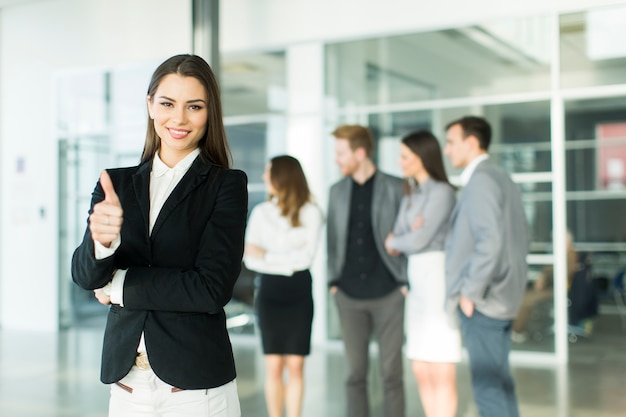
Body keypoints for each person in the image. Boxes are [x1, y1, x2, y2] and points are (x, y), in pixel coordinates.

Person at [71, 54, 248, 417]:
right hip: (127, 387)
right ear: (151, 105)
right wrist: (101, 244)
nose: (179, 118)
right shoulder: (115, 183)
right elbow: (86, 276)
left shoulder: (225, 186)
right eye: (167, 103)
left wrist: (118, 287)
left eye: (194, 106)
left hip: (196, 390)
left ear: (209, 112)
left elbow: (211, 289)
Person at [443, 116, 529, 417]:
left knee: (488, 389)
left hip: (484, 302)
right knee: (500, 383)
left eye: (451, 143)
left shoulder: (480, 181)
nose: (447, 150)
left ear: (471, 142)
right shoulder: (500, 177)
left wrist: (470, 292)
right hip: (503, 297)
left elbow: (489, 242)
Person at [327, 124, 408, 417]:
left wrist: (404, 281)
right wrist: (333, 281)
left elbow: (407, 234)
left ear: (360, 153)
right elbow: (333, 242)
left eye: (340, 153)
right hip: (348, 294)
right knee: (355, 375)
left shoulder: (397, 186)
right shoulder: (336, 191)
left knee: (391, 375)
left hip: (389, 292)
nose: (336, 159)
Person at [384, 130, 460, 417]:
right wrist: (406, 236)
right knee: (420, 364)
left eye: (405, 156)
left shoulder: (442, 192)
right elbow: (402, 234)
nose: (400, 162)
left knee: (441, 366)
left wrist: (401, 240)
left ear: (422, 156)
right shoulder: (411, 193)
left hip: (437, 278)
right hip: (416, 281)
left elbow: (412, 240)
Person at [243, 155, 324, 417]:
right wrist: (285, 259)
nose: (265, 178)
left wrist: (266, 254)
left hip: (298, 292)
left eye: (269, 173)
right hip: (269, 293)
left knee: (296, 366)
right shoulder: (261, 213)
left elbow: (305, 259)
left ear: (283, 176)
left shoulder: (311, 212)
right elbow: (249, 258)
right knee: (274, 366)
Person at [512, 231, 578, 342]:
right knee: (523, 295)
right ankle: (515, 328)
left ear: (567, 242)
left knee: (526, 300)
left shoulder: (570, 255)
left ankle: (516, 330)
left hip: (558, 289)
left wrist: (546, 273)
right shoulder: (562, 254)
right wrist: (543, 276)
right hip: (551, 287)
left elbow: (562, 275)